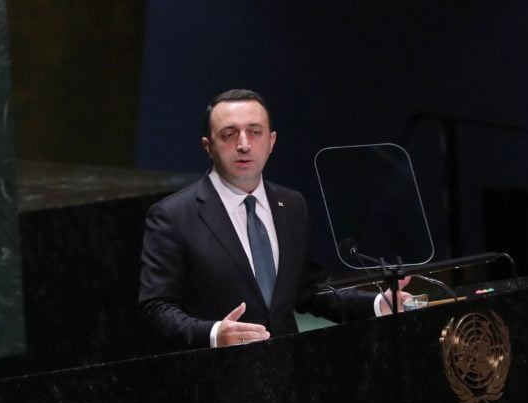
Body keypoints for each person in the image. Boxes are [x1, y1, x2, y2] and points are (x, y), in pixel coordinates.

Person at [138, 89, 409, 350]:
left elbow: (308, 290)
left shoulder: (291, 204)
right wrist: (213, 334)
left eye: (255, 132)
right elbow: (156, 309)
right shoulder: (173, 216)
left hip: (286, 366)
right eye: (229, 134)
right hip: (215, 372)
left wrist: (376, 304)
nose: (244, 145)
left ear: (271, 141)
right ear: (208, 146)